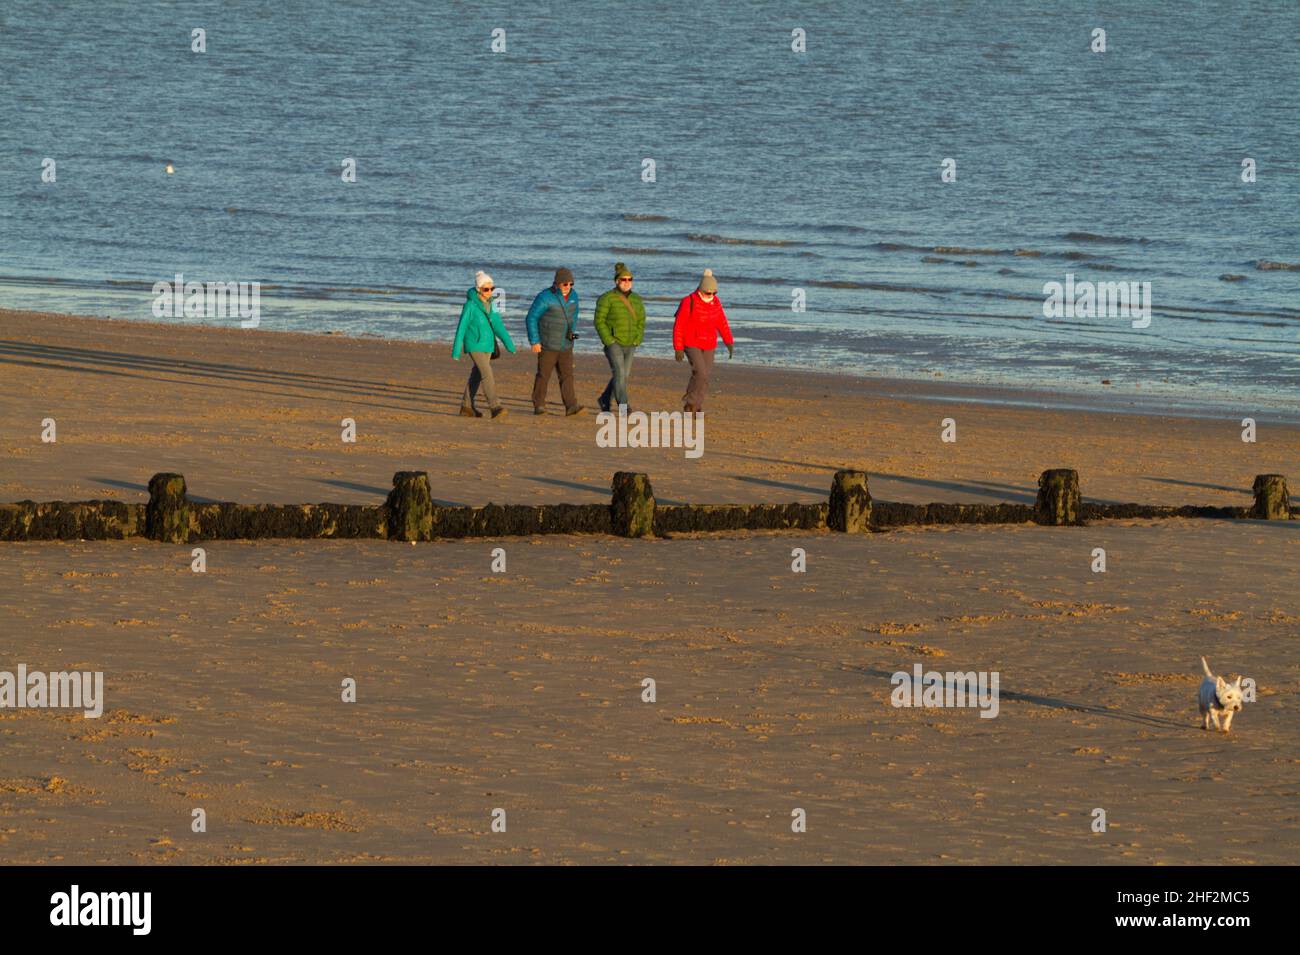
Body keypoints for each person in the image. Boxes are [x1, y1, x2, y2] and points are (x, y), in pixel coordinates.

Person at [452, 270, 515, 418]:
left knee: (477, 375)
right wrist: (456, 350)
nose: (490, 292)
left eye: (492, 289)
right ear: (478, 289)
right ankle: (495, 406)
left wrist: (508, 343)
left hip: (488, 345)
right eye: (486, 289)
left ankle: (466, 407)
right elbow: (461, 328)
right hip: (474, 344)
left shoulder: (493, 305)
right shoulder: (470, 306)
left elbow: (498, 325)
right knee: (487, 374)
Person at [524, 268, 584, 416]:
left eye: (571, 284)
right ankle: (539, 405)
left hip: (566, 344)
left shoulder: (574, 296)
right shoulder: (544, 297)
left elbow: (574, 316)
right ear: (557, 283)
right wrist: (534, 341)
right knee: (543, 375)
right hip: (547, 344)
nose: (568, 287)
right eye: (565, 284)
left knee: (567, 375)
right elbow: (531, 318)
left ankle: (571, 406)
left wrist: (572, 333)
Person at [672, 268, 733, 413]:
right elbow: (679, 326)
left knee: (704, 377)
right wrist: (678, 348)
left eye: (714, 293)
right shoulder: (688, 301)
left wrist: (729, 341)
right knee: (701, 373)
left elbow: (722, 322)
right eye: (708, 293)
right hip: (691, 342)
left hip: (709, 343)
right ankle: (691, 402)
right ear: (701, 290)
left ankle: (696, 406)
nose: (711, 295)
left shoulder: (716, 303)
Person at [593, 262, 646, 412]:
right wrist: (609, 340)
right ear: (617, 281)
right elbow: (599, 320)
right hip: (614, 343)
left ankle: (604, 398)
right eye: (623, 279)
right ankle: (624, 406)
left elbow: (641, 320)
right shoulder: (607, 298)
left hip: (631, 343)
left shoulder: (636, 299)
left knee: (623, 375)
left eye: (630, 279)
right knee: (620, 373)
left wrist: (638, 338)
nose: (627, 282)